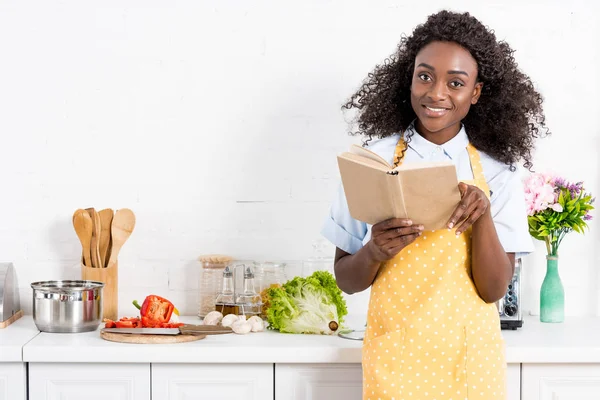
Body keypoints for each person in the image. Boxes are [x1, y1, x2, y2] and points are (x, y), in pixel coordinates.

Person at [321, 10, 547, 400]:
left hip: (469, 364)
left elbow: (494, 290)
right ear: (409, 78)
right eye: (424, 75)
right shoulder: (369, 163)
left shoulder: (497, 174)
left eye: (455, 83)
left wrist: (483, 215)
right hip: (395, 361)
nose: (436, 93)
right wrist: (374, 250)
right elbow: (346, 279)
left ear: (475, 93)